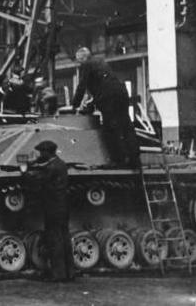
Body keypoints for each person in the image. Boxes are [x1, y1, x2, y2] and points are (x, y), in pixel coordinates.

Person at [71, 47, 140, 168]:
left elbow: (82, 86)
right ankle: (134, 159)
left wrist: (74, 105)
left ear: (83, 58)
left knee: (109, 129)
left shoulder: (87, 64)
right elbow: (103, 87)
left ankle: (117, 161)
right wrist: (92, 103)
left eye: (79, 61)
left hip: (109, 97)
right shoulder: (101, 62)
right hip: (121, 92)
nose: (79, 63)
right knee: (126, 125)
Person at [22, 140, 75, 282]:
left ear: (48, 152)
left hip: (53, 207)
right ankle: (69, 272)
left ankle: (58, 274)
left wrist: (25, 170)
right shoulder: (60, 163)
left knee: (54, 239)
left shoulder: (52, 167)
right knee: (64, 238)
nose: (40, 154)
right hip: (62, 207)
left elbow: (37, 177)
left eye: (42, 152)